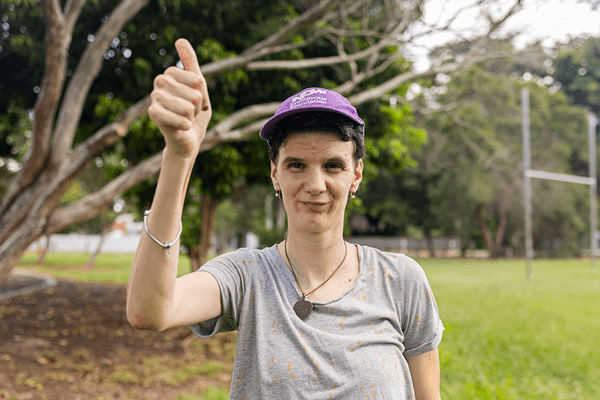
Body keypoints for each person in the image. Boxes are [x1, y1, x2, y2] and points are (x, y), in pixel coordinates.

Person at [127, 38, 443, 400]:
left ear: (355, 175)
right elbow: (150, 311)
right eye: (296, 165)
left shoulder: (400, 280)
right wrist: (179, 156)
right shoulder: (246, 276)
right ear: (275, 173)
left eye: (333, 165)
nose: (315, 185)